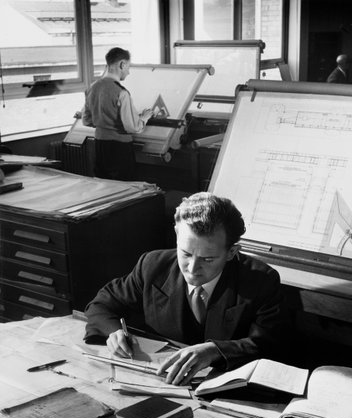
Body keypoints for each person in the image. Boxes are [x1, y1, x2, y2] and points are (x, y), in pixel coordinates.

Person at [84, 192, 289, 386]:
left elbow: (270, 345)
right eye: (186, 254)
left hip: (224, 389)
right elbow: (102, 304)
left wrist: (215, 350)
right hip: (158, 382)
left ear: (231, 252)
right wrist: (114, 332)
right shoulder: (153, 265)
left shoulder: (261, 280)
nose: (192, 269)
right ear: (176, 233)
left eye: (207, 259)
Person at [82, 47, 153, 181]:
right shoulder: (122, 93)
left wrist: (103, 120)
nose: (129, 72)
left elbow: (86, 120)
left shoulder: (92, 88)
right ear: (122, 64)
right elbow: (133, 127)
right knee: (125, 186)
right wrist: (144, 118)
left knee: (104, 183)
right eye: (128, 67)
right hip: (119, 148)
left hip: (99, 145)